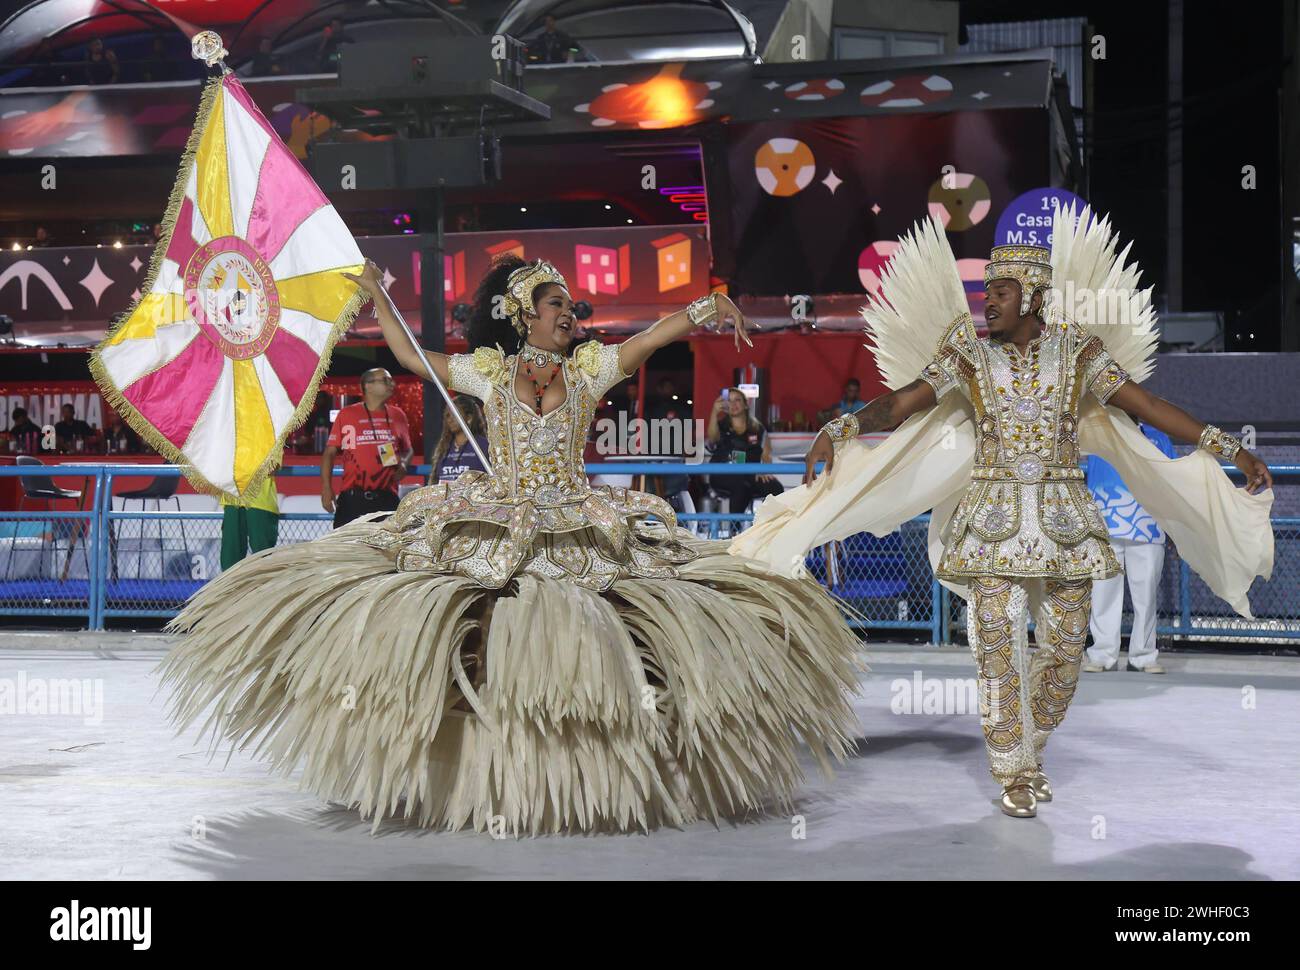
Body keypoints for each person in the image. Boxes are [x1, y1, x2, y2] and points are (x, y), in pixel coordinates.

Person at [159, 255, 860, 836]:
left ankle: (603, 762)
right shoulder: (489, 373)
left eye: (572, 309)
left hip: (579, 522)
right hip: (498, 517)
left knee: (609, 633)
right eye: (558, 305)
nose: (570, 315)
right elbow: (409, 355)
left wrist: (710, 308)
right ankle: (473, 767)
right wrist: (376, 292)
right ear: (525, 314)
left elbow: (653, 337)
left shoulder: (589, 369)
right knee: (478, 629)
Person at [735, 209, 1273, 820]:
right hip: (991, 522)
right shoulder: (968, 354)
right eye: (985, 290)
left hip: (1065, 521)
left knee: (1068, 649)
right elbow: (907, 402)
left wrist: (1227, 447)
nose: (988, 301)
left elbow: (1146, 404)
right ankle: (1012, 768)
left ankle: (1030, 747)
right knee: (997, 645)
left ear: (1034, 296)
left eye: (1001, 291)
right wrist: (845, 424)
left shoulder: (1079, 352)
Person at [1083, 423, 1177, 674]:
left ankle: (1143, 657)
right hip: (1103, 524)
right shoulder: (1097, 432)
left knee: (1146, 595)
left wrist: (1174, 526)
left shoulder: (1159, 438)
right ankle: (1102, 654)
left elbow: (1173, 481)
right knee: (1102, 593)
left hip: (1148, 525)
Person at [320, 368, 412, 527]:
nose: (392, 383)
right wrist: (326, 488)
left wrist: (404, 464)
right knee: (347, 548)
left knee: (387, 549)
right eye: (385, 380)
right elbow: (329, 453)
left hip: (387, 497)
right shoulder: (347, 414)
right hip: (353, 498)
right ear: (367, 386)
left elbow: (408, 449)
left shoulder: (398, 415)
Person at [705, 387, 784, 525]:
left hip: (750, 474)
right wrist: (714, 412)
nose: (733, 404)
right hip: (722, 474)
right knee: (740, 485)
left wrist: (764, 469)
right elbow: (712, 438)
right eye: (729, 401)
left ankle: (768, 527)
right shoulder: (721, 425)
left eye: (737, 400)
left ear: (745, 404)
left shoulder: (758, 428)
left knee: (775, 487)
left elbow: (766, 454)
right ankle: (734, 532)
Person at [219, 477, 279, 571]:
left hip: (260, 501)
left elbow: (272, 466)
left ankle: (263, 584)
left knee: (263, 556)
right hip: (232, 499)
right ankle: (234, 585)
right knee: (230, 561)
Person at [430, 396, 488, 484]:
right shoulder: (444, 448)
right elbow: (435, 481)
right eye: (448, 415)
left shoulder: (484, 446)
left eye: (455, 414)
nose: (450, 419)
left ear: (469, 417)